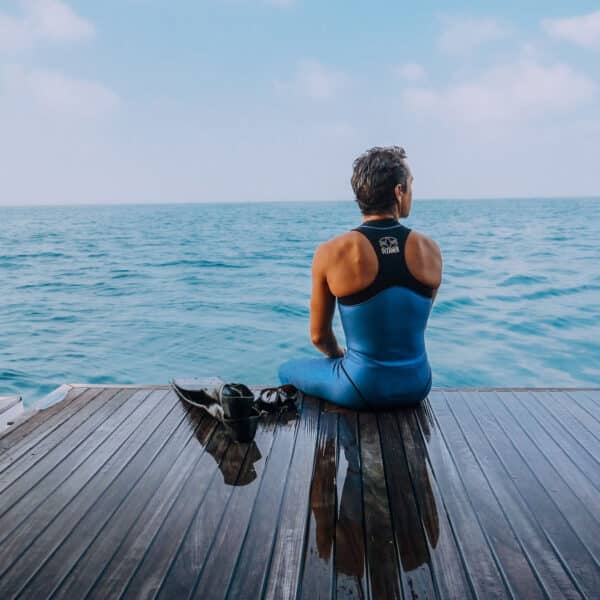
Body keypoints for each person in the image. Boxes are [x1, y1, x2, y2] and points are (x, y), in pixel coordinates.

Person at [278, 146, 442, 409]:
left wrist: (337, 356)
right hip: (419, 384)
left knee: (286, 370)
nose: (411, 192)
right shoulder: (430, 249)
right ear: (398, 192)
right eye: (410, 185)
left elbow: (319, 337)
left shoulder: (332, 252)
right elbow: (409, 321)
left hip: (362, 388)